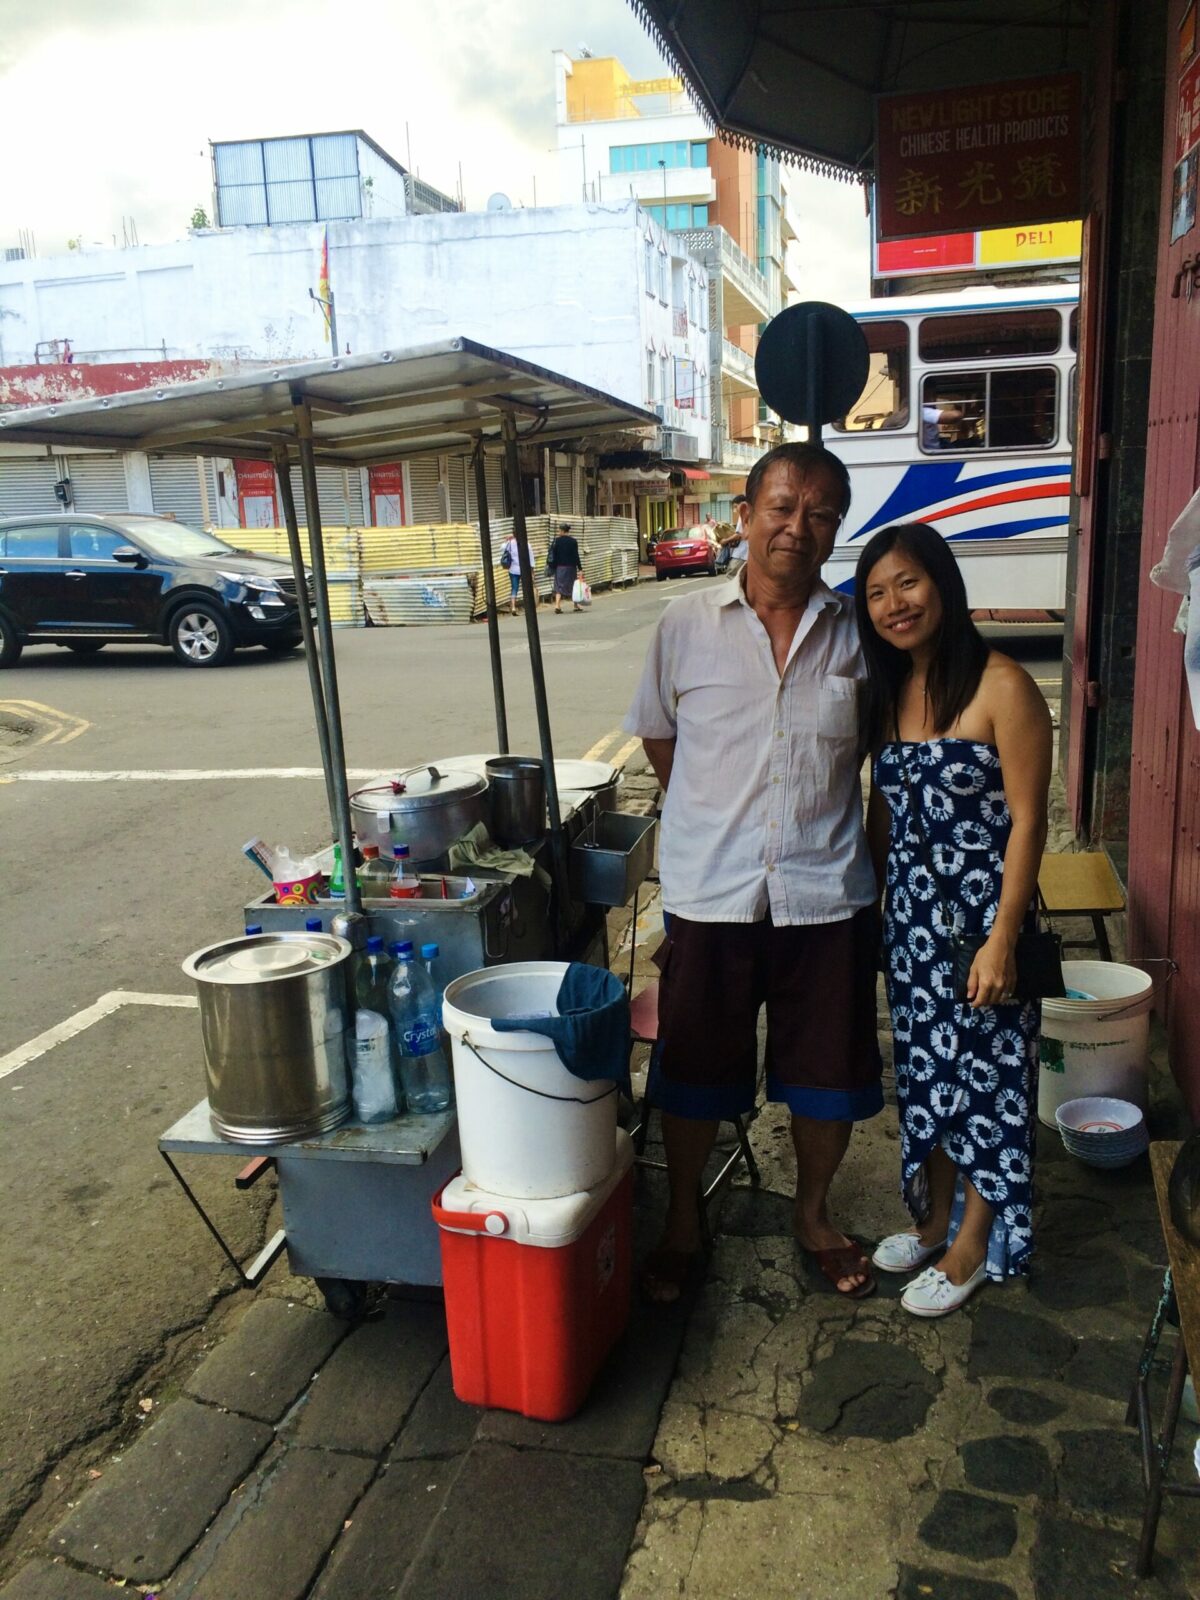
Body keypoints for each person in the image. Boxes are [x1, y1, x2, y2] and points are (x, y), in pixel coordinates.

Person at [624, 442, 883, 1305]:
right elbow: (661, 738)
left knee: (828, 1079)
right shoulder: (684, 626)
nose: (795, 527)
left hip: (825, 895)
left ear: (837, 529)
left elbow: (880, 754)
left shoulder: (860, 637)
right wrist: (712, 811)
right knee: (693, 1071)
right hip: (713, 892)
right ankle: (683, 1222)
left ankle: (812, 1214)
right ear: (743, 516)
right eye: (779, 506)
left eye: (818, 513)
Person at [856, 521, 1052, 1318]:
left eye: (907, 583)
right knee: (929, 1075)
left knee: (989, 1078)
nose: (893, 604)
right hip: (910, 930)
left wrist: (1004, 937)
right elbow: (883, 809)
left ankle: (975, 1241)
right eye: (875, 593)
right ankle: (934, 1220)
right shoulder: (890, 690)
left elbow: (1031, 821)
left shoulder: (1004, 685)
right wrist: (871, 907)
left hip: (981, 930)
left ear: (942, 584)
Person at [546, 521, 584, 614]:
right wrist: (580, 568)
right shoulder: (573, 541)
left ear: (562, 531)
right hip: (571, 567)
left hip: (560, 567)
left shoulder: (556, 541)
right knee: (573, 586)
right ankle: (576, 605)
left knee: (559, 586)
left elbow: (552, 555)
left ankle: (557, 606)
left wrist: (552, 566)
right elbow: (576, 555)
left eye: (559, 530)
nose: (559, 532)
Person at [500, 533, 522, 617]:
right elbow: (530, 556)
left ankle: (513, 607)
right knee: (526, 588)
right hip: (523, 569)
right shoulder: (525, 543)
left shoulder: (510, 543)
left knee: (514, 588)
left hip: (513, 569)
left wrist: (507, 540)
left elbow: (502, 548)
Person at [727, 493, 750, 576]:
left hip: (742, 553)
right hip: (748, 553)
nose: (735, 510)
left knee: (731, 574)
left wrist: (725, 541)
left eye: (736, 506)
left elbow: (739, 534)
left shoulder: (743, 515)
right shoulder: (752, 513)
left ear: (743, 505)